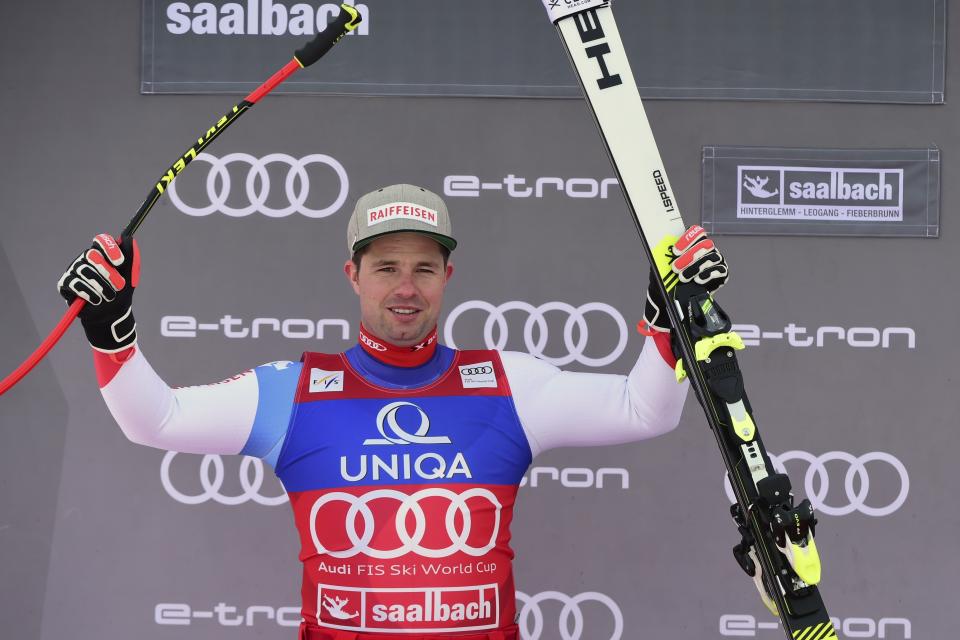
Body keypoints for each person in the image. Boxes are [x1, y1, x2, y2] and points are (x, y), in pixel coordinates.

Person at [57, 184, 728, 640]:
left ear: (447, 278)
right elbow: (157, 421)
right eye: (385, 268)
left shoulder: (505, 383)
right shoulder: (295, 389)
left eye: (423, 268)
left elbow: (646, 409)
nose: (405, 288)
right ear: (353, 275)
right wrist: (111, 330)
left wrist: (663, 319)